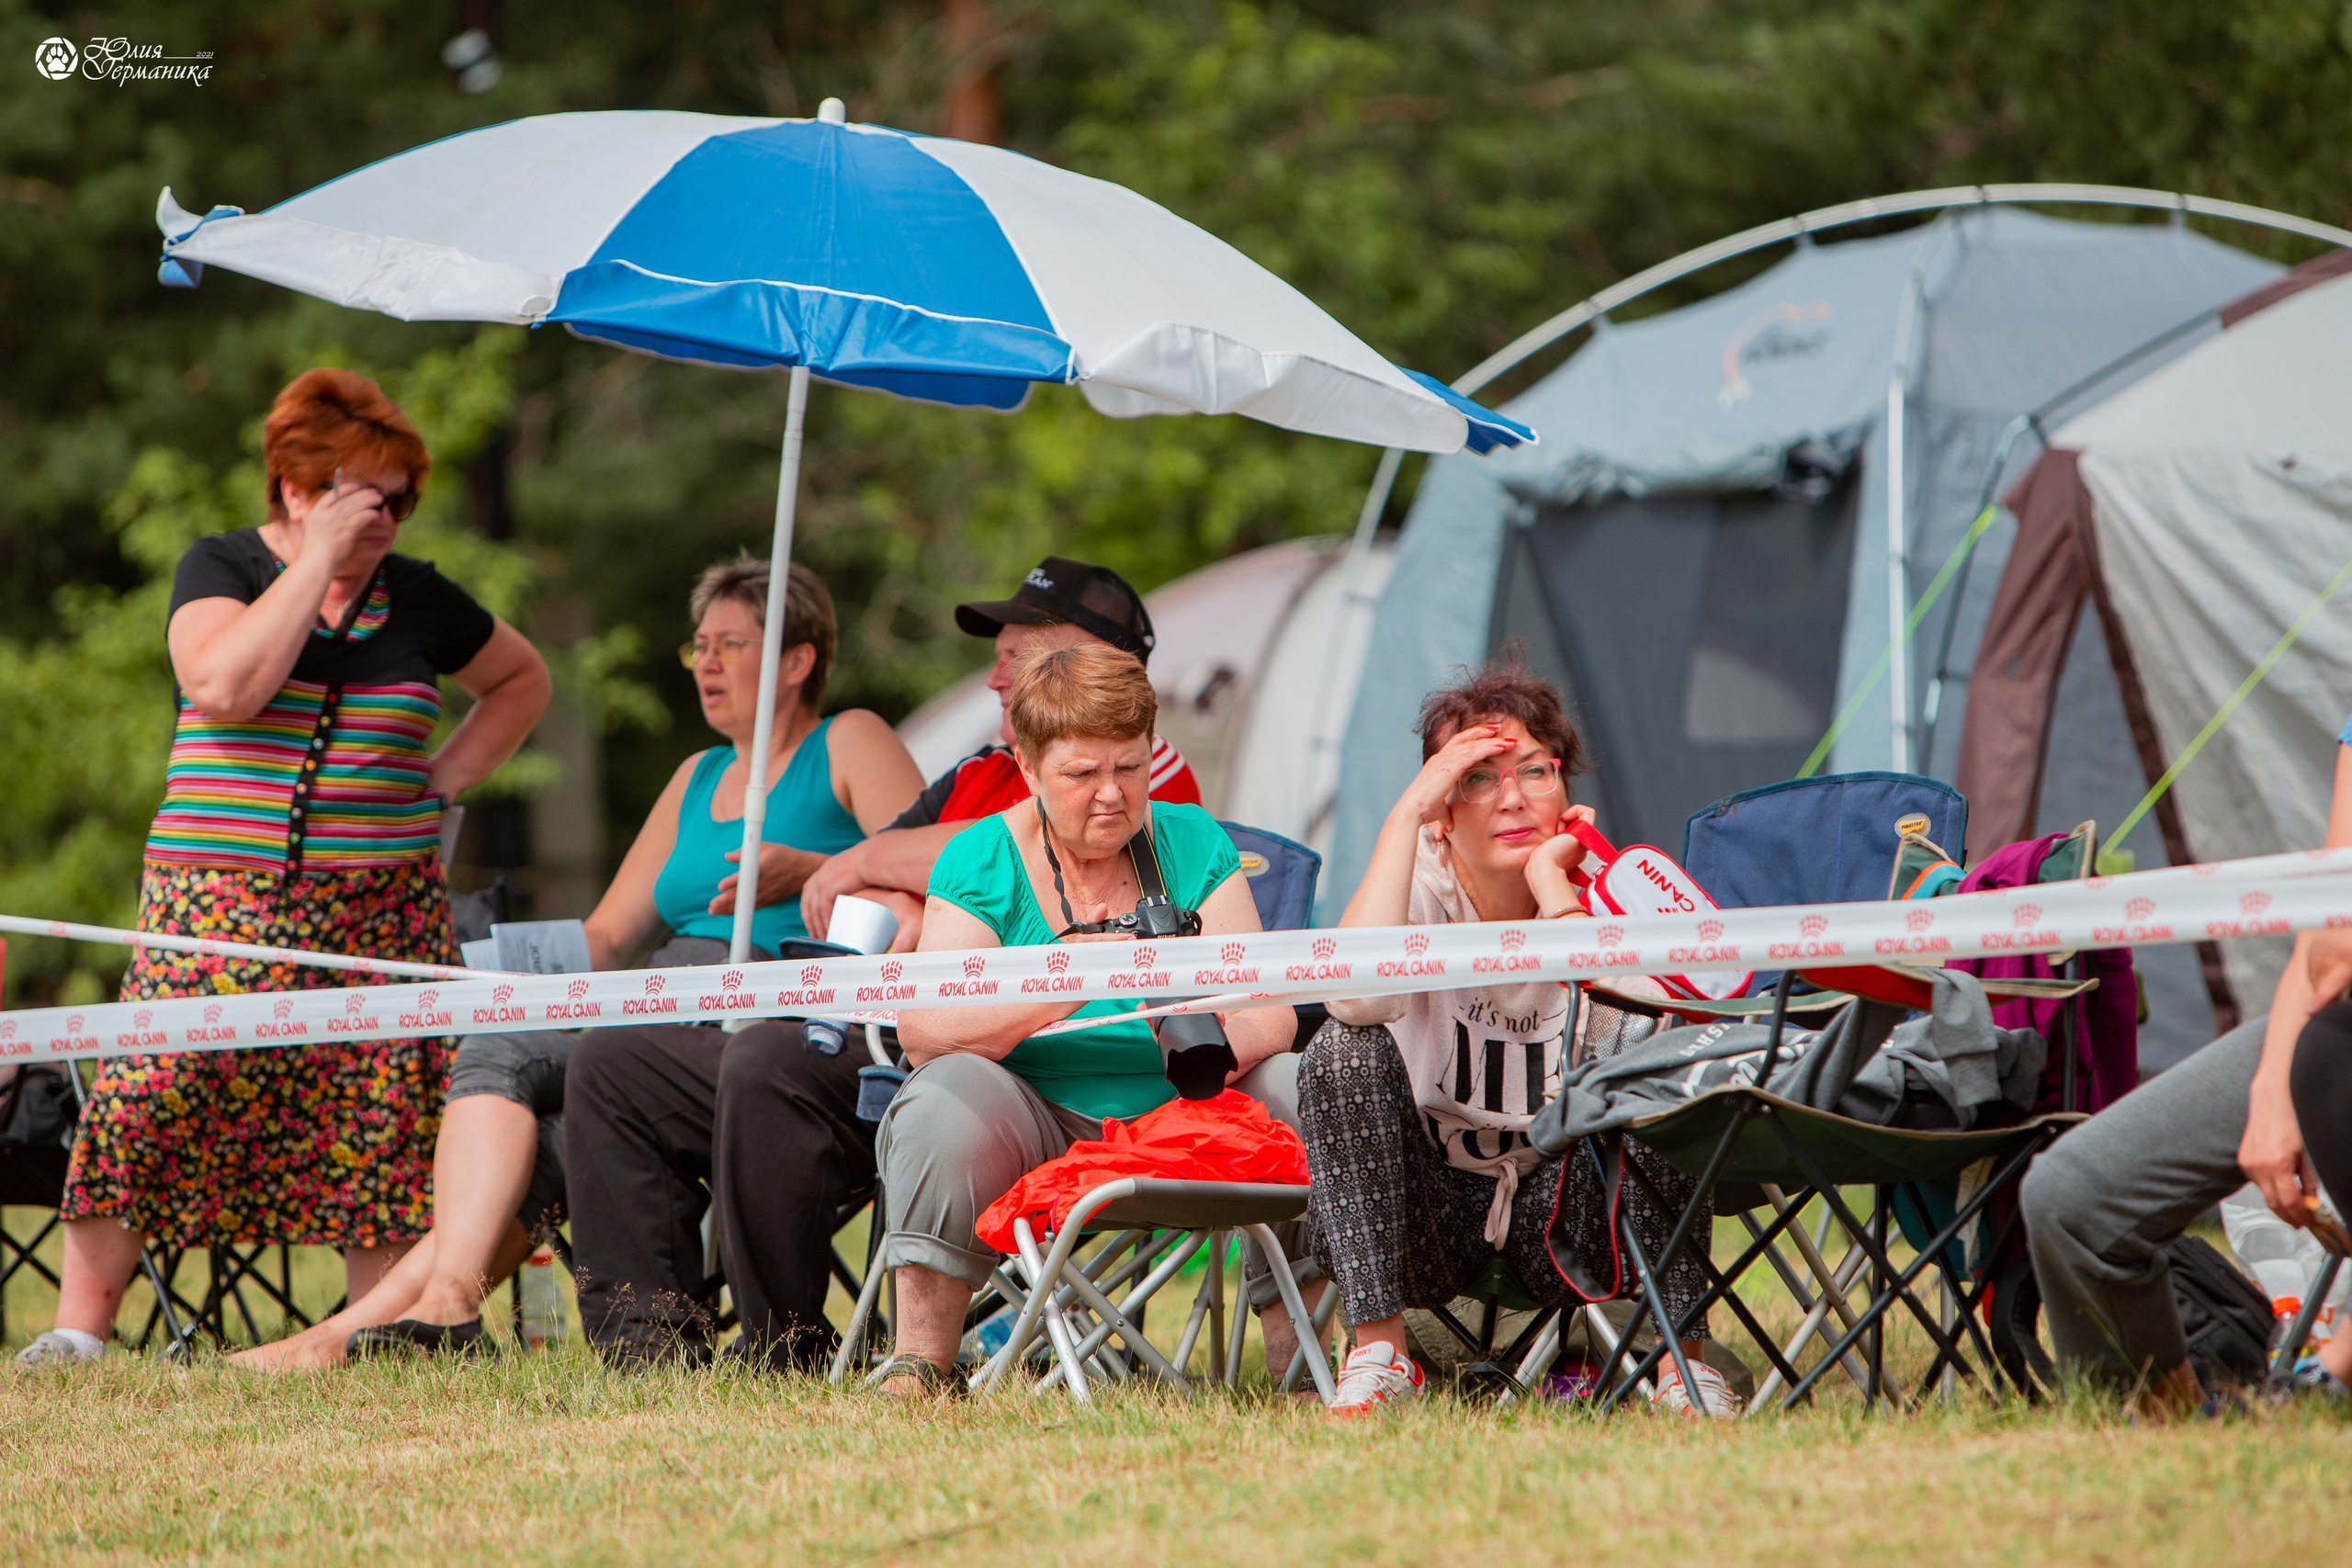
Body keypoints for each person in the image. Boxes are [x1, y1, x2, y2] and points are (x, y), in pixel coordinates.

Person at [220, 556, 922, 1371]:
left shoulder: (849, 740)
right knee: (537, 1105)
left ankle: (422, 1311)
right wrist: (488, 969)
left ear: (798, 660)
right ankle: (353, 1334)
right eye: (698, 645)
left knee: (517, 1054)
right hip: (666, 991)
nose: (709, 662)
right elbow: (607, 938)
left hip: (770, 1004)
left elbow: (926, 864)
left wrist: (809, 869)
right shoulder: (697, 775)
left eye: (733, 643)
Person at [18, 369, 551, 1369]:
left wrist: (444, 780)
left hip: (379, 914)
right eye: (362, 494)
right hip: (214, 904)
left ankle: (368, 1343)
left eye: (397, 498)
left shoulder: (423, 598)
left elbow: (524, 680)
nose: (384, 516)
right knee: (147, 1097)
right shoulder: (221, 566)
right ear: (296, 489)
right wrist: (316, 568)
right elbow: (222, 686)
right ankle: (76, 1335)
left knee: (379, 1127)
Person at [1295, 665, 1734, 1417]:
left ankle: (1680, 1367)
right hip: (1426, 1207)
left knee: (1665, 1070)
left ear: (1564, 788)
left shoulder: (1611, 885)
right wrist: (1403, 819)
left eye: (1535, 770)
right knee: (1341, 1049)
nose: (1512, 797)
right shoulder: (1418, 884)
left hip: (1566, 1210)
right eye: (1476, 778)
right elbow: (1355, 996)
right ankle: (1380, 1352)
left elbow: (1665, 1029)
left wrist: (1558, 893)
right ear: (1441, 809)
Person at [871, 643, 1294, 1395]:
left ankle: (1305, 1364)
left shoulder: (1194, 840)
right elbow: (926, 1029)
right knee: (942, 1097)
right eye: (1081, 773)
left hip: (1186, 1110)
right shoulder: (980, 858)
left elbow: (1269, 1013)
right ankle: (921, 1363)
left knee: (1296, 1082)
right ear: (1029, 769)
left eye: (1130, 767)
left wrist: (1197, 1040)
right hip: (1035, 1115)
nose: (1111, 794)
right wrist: (1072, 974)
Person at [2021, 733, 2352, 1414]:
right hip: (2331, 1024)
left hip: (2334, 1039)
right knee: (2072, 1195)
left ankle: (2326, 1388)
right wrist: (2271, 1093)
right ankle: (2170, 1436)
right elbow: (2330, 932)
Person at [798, 556, 1201, 955]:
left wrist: (867, 858)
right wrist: (898, 902)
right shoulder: (977, 771)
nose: (993, 679)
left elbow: (1031, 871)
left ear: (1089, 664)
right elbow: (845, 886)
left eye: (1016, 657)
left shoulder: (1145, 766)